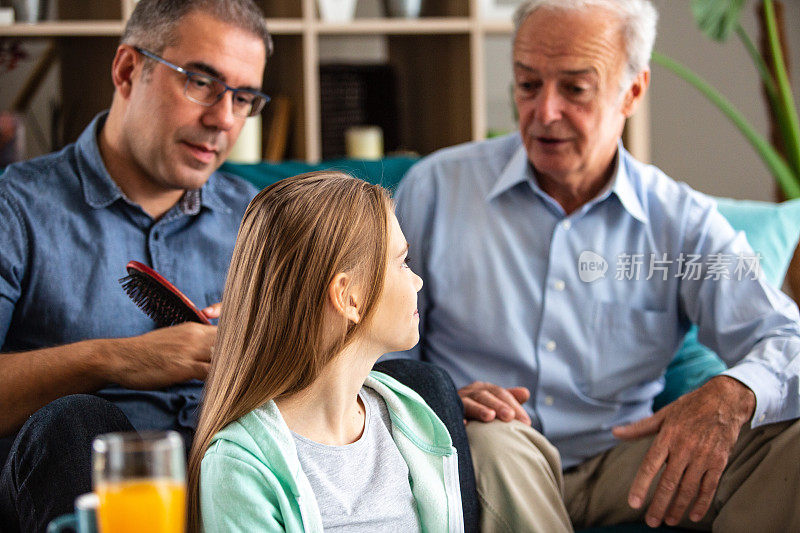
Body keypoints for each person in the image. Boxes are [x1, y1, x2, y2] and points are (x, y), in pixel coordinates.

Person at [391, 0, 800, 531]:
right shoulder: (435, 189)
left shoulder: (681, 221)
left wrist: (734, 391)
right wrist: (438, 398)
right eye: (527, 84)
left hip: (629, 467)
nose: (545, 112)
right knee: (491, 445)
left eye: (575, 89)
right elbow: (367, 360)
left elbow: (786, 340)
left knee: (791, 439)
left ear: (633, 91)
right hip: (491, 453)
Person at [0, 1, 272, 530]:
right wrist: (113, 360)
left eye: (244, 98)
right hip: (75, 473)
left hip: (236, 476)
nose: (223, 118)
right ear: (128, 70)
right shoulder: (16, 208)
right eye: (200, 82)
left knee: (416, 383)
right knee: (77, 421)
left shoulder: (258, 221)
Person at [188, 171, 464, 532]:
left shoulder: (411, 417)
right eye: (402, 262)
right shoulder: (238, 467)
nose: (417, 281)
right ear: (349, 297)